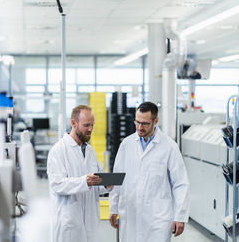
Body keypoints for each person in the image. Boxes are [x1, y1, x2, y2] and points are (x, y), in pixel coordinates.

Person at [109, 101, 190, 242]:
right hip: (130, 215)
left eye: (145, 124)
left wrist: (180, 216)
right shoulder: (126, 144)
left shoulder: (170, 147)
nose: (140, 127)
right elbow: (117, 178)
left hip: (158, 218)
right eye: (137, 122)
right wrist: (113, 207)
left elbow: (180, 183)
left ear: (155, 121)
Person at [47, 105, 112, 242]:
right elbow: (57, 185)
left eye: (92, 125)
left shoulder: (90, 151)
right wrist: (84, 182)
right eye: (86, 125)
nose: (90, 129)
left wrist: (106, 185)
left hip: (89, 222)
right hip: (69, 222)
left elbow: (95, 184)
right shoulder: (59, 150)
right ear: (73, 123)